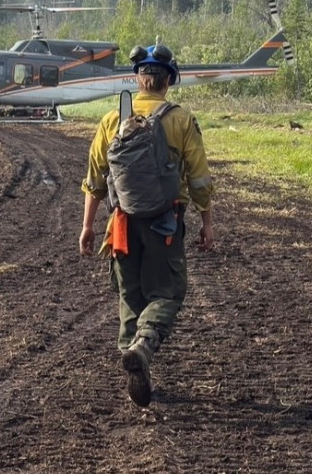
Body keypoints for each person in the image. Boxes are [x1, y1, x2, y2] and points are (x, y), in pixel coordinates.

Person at [79, 43, 215, 407]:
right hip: (165, 224)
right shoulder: (181, 120)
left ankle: (133, 361)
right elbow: (199, 177)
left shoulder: (112, 119)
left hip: (121, 225)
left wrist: (88, 226)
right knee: (168, 293)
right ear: (168, 81)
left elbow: (95, 178)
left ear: (138, 80)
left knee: (130, 295)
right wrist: (206, 222)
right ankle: (143, 345)